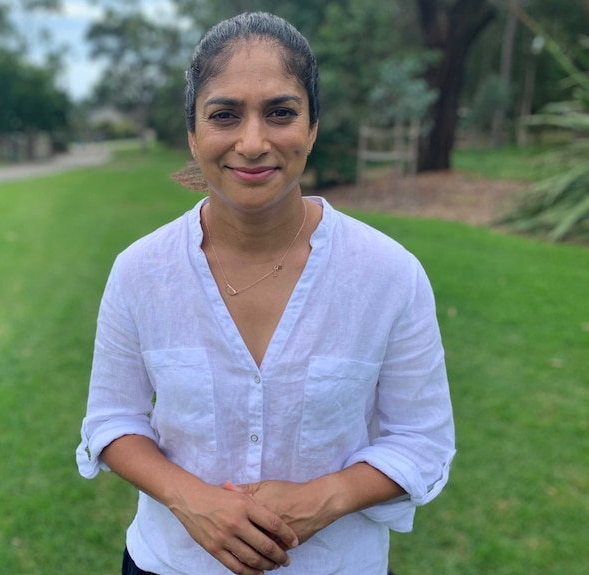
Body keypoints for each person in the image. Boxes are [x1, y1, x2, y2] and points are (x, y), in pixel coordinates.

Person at [76, 12, 455, 575]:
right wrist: (191, 500)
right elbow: (111, 421)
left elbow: (422, 440)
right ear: (193, 134)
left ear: (313, 127)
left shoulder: (388, 274)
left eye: (280, 113)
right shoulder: (141, 271)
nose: (252, 143)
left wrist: (322, 500)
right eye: (224, 115)